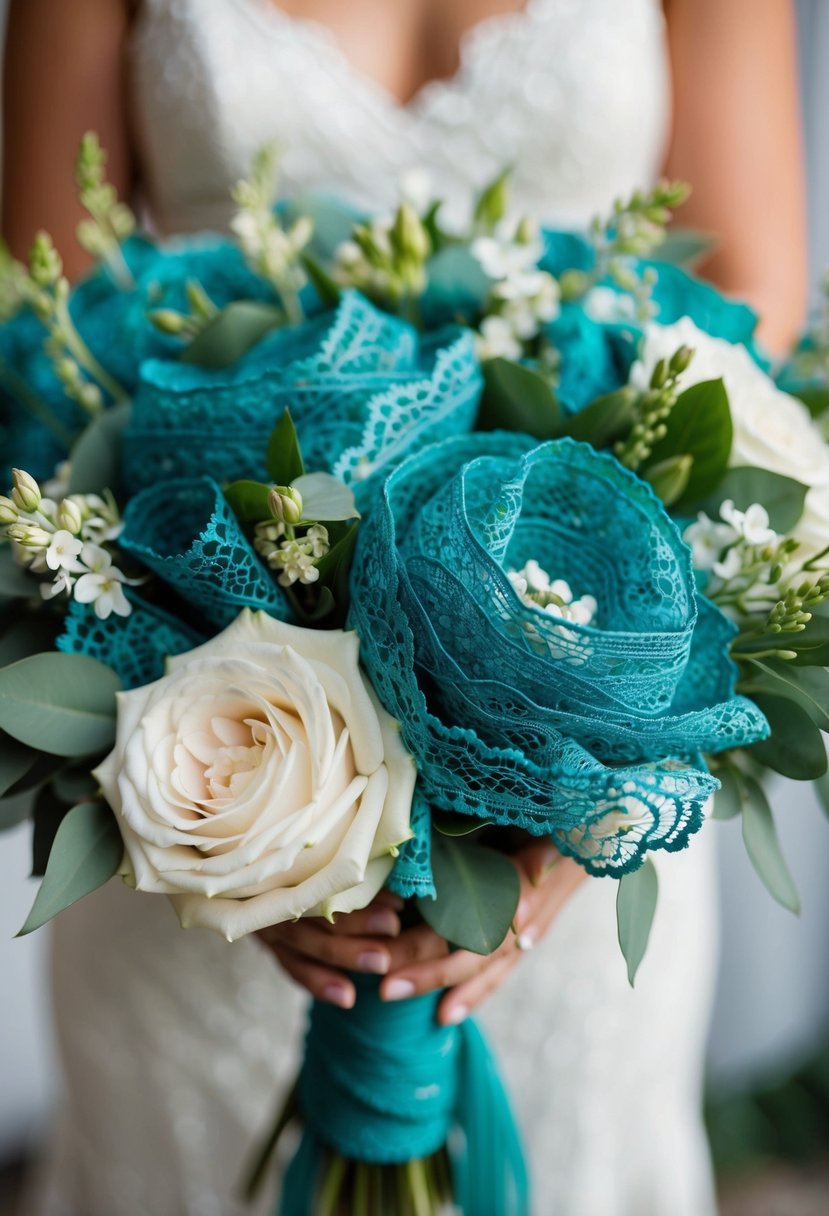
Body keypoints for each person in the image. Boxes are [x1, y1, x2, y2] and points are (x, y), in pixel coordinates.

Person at [2, 2, 806, 1213]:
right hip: (206, 755)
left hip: (571, 777)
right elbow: (42, 318)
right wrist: (244, 836)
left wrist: (583, 796)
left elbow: (747, 282)